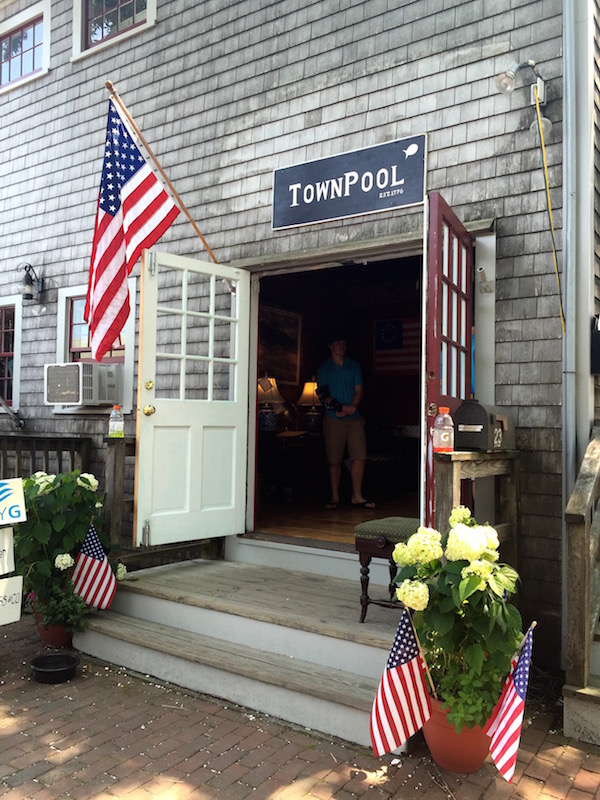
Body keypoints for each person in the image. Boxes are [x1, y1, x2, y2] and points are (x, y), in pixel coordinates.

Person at [316, 333, 376, 510]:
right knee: (334, 459)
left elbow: (359, 390)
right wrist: (339, 408)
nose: (341, 346)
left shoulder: (353, 366)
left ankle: (357, 496)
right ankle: (335, 496)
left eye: (344, 342)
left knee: (359, 456)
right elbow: (323, 394)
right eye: (338, 343)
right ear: (330, 346)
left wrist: (351, 407)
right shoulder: (324, 369)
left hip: (355, 418)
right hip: (333, 419)